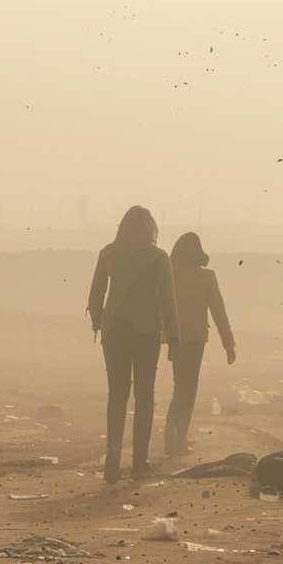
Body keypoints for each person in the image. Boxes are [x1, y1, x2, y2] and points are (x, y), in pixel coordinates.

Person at [87, 206, 180, 483]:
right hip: (146, 333)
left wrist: (97, 322)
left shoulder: (108, 253)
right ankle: (139, 461)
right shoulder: (159, 257)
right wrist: (173, 339)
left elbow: (96, 293)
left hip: (114, 332)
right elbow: (168, 301)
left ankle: (113, 457)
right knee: (144, 396)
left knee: (116, 394)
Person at [165, 232, 236, 458]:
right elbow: (218, 311)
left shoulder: (170, 274)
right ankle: (180, 440)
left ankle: (171, 438)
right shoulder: (207, 277)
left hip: (175, 339)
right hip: (195, 340)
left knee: (179, 388)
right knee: (189, 389)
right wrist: (228, 343)